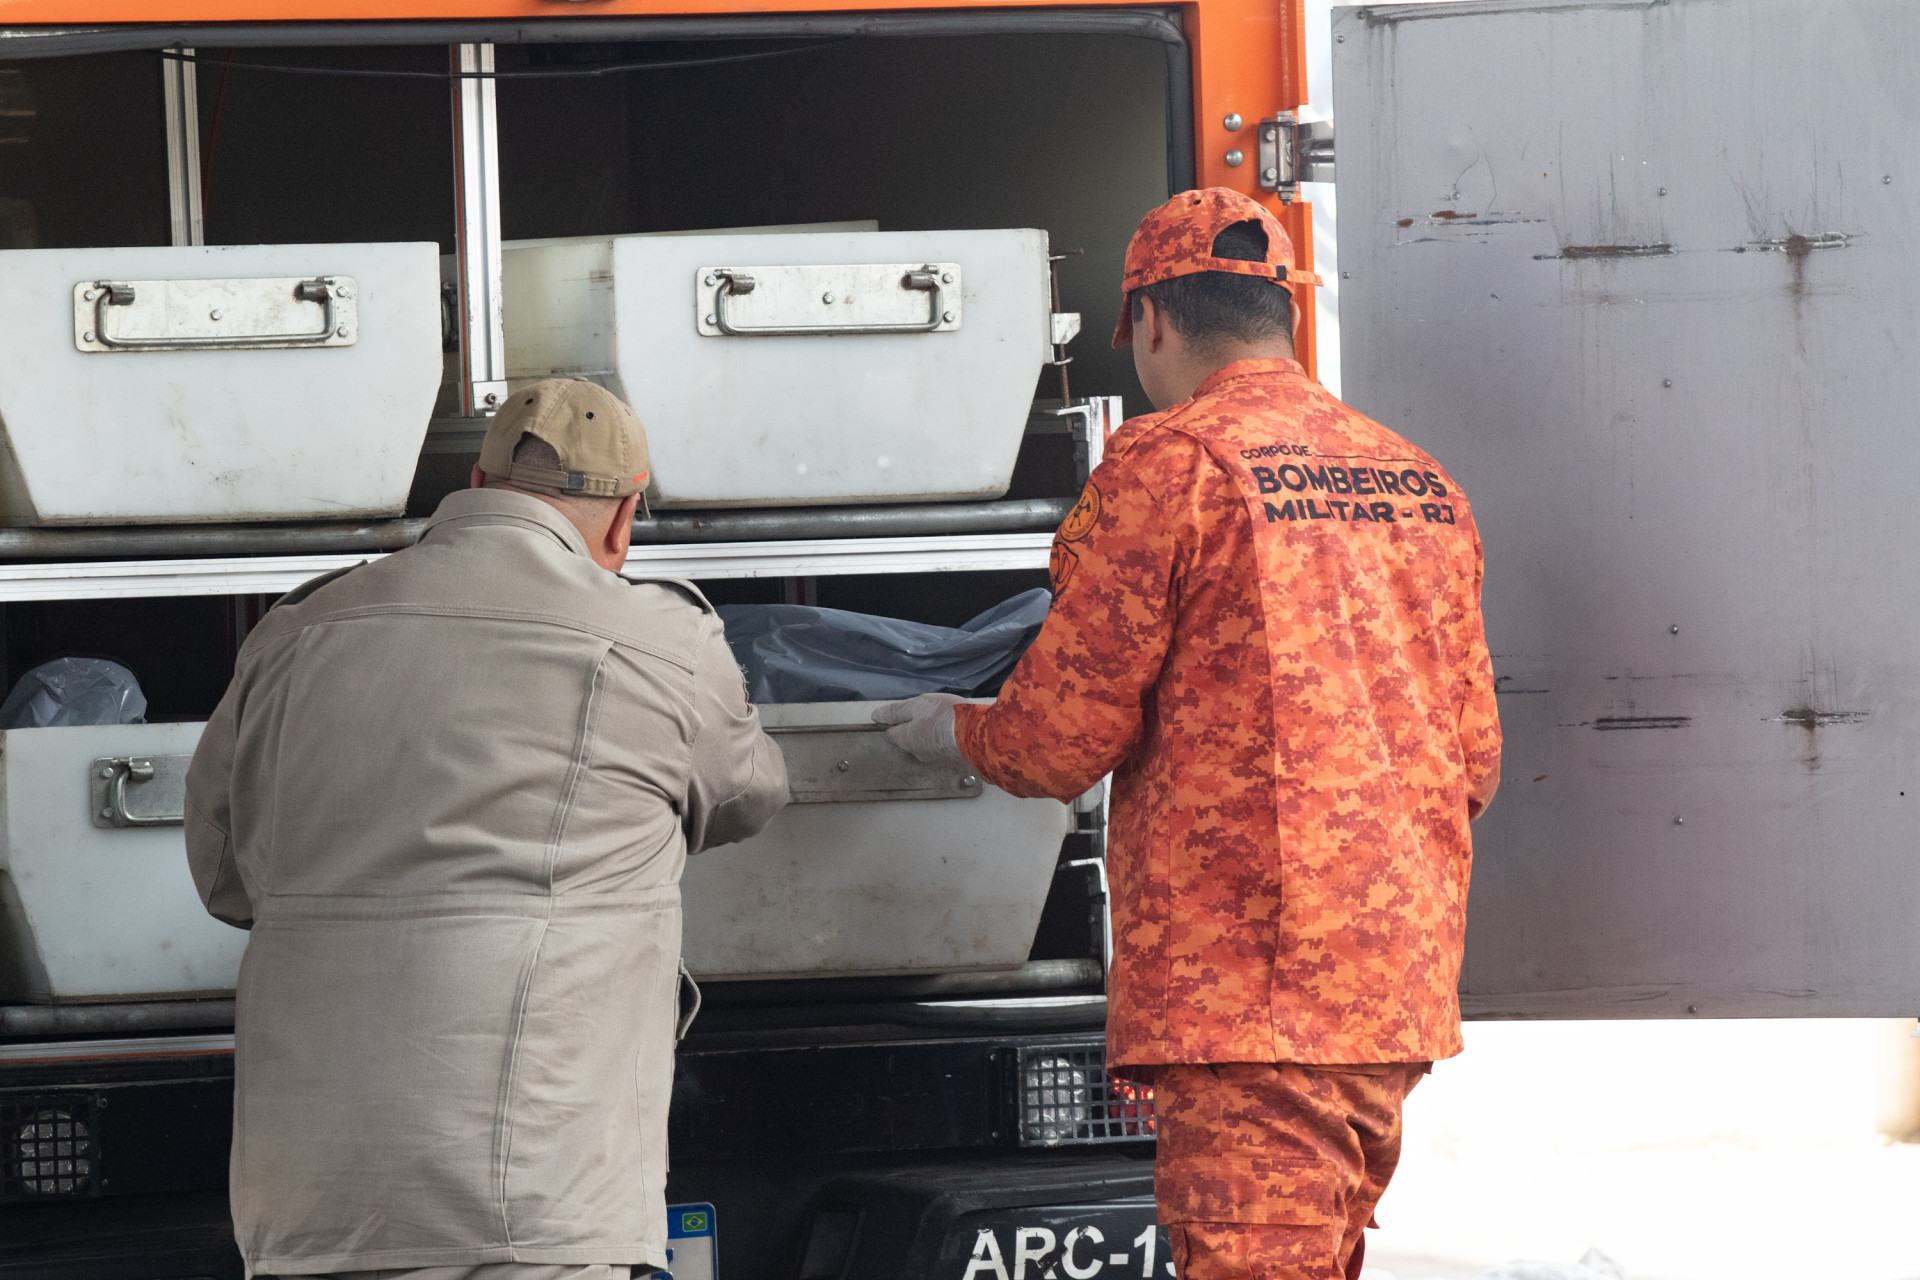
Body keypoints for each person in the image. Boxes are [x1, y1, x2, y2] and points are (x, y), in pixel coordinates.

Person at [875, 188, 1501, 1280]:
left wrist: (954, 732)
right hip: (1387, 992)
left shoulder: (1171, 466)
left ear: (1152, 321)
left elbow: (1062, 735)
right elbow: (1474, 759)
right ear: (1285, 314)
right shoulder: (1418, 482)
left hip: (1248, 1005)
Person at [185, 378, 788, 1280]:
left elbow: (223, 874)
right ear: (627, 516)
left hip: (305, 1201)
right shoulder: (662, 642)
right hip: (535, 1206)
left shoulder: (297, 631)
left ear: (474, 483)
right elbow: (747, 795)